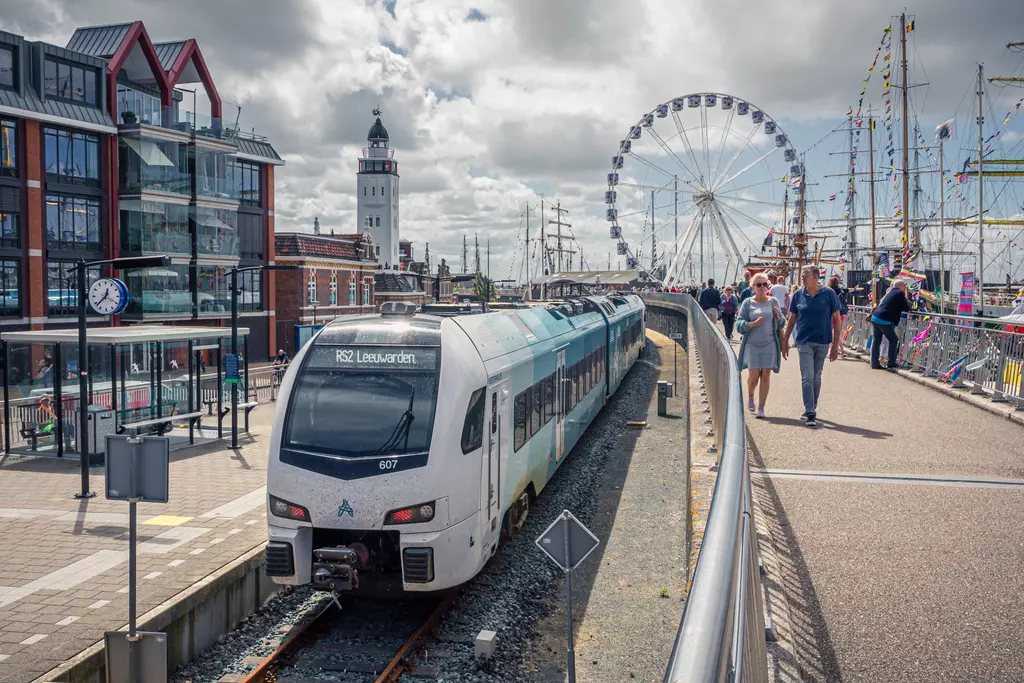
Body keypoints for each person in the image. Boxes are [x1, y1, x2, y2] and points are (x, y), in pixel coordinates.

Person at [782, 265, 842, 428]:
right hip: (804, 342)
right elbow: (792, 319)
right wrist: (785, 340)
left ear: (815, 277)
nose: (802, 278)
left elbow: (837, 320)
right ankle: (810, 412)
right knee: (807, 377)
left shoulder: (829, 294)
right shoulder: (797, 295)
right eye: (802, 276)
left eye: (805, 276)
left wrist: (835, 345)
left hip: (823, 341)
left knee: (816, 378)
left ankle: (811, 407)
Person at [736, 273, 784, 418]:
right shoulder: (747, 303)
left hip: (769, 344)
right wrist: (752, 324)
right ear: (753, 287)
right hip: (752, 345)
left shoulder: (773, 301)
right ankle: (750, 395)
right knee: (754, 376)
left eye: (764, 284)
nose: (762, 287)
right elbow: (739, 325)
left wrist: (777, 315)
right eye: (759, 285)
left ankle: (762, 407)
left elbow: (781, 323)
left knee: (766, 375)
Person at [870, 279, 910, 370]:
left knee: (876, 341)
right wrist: (913, 310)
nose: (905, 287)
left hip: (876, 317)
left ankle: (874, 363)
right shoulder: (899, 293)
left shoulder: (891, 292)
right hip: (884, 319)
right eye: (904, 285)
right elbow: (906, 307)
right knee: (894, 339)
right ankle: (891, 362)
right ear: (900, 285)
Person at [827, 275, 850, 357]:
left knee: (831, 333)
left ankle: (836, 350)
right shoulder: (841, 291)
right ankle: (840, 350)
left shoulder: (828, 291)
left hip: (832, 314)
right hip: (842, 313)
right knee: (837, 333)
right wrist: (855, 289)